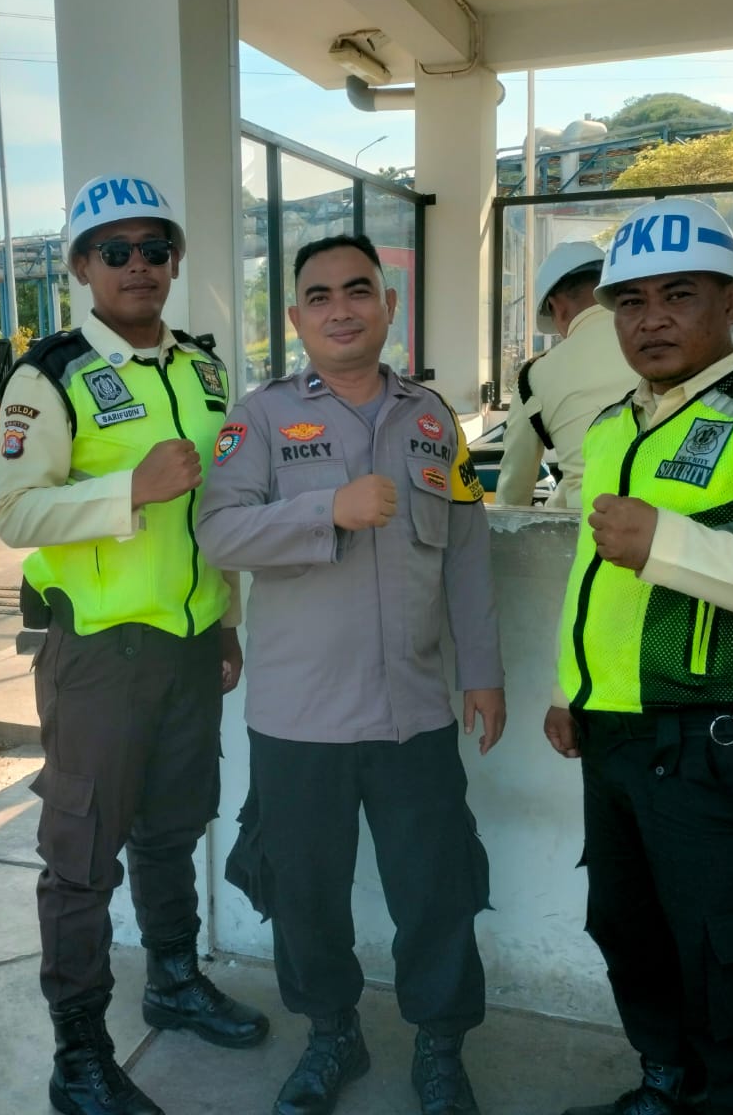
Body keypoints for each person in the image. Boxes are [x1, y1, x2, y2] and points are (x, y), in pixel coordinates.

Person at [542, 198, 733, 1115]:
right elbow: (597, 582)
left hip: (716, 744)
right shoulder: (617, 423)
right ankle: (666, 1080)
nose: (650, 320)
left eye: (677, 294)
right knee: (627, 928)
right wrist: (574, 688)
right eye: (629, 301)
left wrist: (668, 544)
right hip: (615, 731)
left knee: (729, 952)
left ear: (730, 301)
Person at [196, 233, 506, 1115]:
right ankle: (332, 1034)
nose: (341, 308)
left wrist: (482, 672)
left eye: (358, 290)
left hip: (416, 710)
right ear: (296, 318)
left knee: (437, 891)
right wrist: (324, 509)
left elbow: (466, 553)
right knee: (304, 895)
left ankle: (440, 1048)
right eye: (321, 296)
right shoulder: (258, 418)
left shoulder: (431, 419)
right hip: (300, 717)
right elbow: (217, 533)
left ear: (387, 306)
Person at [0, 172, 268, 1115]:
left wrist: (223, 620)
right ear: (81, 267)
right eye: (115, 251)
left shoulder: (203, 370)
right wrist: (129, 491)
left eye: (155, 249)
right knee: (81, 858)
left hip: (189, 647)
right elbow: (15, 515)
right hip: (99, 658)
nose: (138, 265)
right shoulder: (50, 375)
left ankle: (174, 981)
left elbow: (219, 510)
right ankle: (78, 1055)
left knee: (172, 828)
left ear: (175, 263)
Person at [495, 241, 636, 508]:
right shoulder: (653, 347)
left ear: (556, 307)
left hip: (593, 526)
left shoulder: (533, 378)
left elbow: (514, 490)